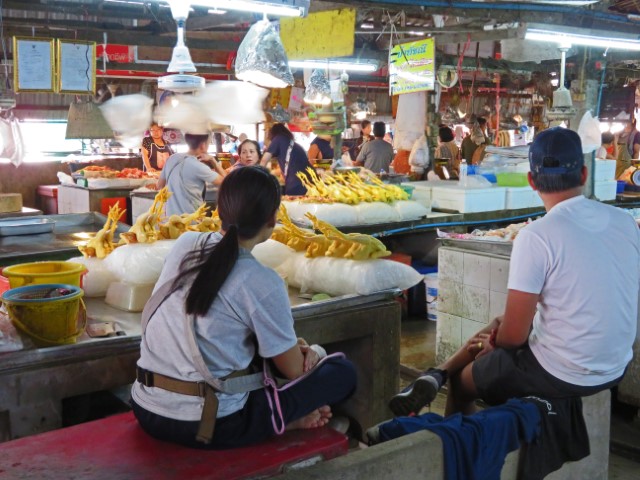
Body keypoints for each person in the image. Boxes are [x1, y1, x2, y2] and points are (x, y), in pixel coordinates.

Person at [389, 127, 640, 418]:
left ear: (532, 180)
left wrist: (493, 344)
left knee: (464, 381)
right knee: (500, 323)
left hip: (563, 371)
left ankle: (453, 410)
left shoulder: (537, 236)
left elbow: (513, 337)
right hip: (615, 365)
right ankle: (435, 374)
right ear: (584, 175)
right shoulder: (625, 223)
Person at [131, 166, 357, 449]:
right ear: (272, 218)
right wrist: (307, 353)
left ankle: (279, 415)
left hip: (145, 408)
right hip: (208, 426)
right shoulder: (263, 281)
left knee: (250, 366)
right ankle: (281, 420)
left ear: (219, 209)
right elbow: (293, 372)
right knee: (342, 372)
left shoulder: (186, 244)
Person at [157, 133, 224, 216]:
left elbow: (160, 185)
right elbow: (226, 181)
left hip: (170, 220)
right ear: (203, 145)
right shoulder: (198, 166)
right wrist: (213, 161)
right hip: (191, 222)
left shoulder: (172, 158)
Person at [260, 123, 312, 196]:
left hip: (295, 184)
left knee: (292, 206)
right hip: (308, 184)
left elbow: (264, 160)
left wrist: (258, 177)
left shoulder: (278, 138)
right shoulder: (290, 143)